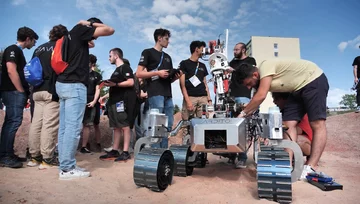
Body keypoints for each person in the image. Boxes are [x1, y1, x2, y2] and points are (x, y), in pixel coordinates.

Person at [236, 59, 329, 179]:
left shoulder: (265, 66)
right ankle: (287, 164)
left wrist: (242, 114)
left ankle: (311, 166)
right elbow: (255, 101)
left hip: (313, 80)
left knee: (317, 124)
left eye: (249, 83)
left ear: (255, 74)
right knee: (288, 124)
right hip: (295, 90)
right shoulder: (261, 80)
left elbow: (261, 96)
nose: (249, 87)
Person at [56, 18, 114, 180]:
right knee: (73, 129)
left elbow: (90, 44)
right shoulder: (81, 30)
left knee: (65, 128)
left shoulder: (72, 34)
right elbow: (110, 29)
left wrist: (87, 34)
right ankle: (67, 169)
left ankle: (65, 164)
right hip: (75, 86)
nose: (94, 40)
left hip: (63, 83)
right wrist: (91, 25)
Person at [26, 25, 68, 170]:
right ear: (63, 36)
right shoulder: (60, 47)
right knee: (49, 125)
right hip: (51, 90)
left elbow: (31, 68)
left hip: (36, 91)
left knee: (36, 124)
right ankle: (47, 159)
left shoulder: (39, 49)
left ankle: (34, 157)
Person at [0, 26, 38, 168]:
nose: (34, 44)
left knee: (10, 122)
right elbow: (11, 70)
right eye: (33, 41)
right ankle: (5, 156)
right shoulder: (13, 49)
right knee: (13, 122)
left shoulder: (17, 51)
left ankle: (6, 153)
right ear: (28, 39)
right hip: (13, 92)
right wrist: (21, 90)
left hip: (13, 92)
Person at [135, 28, 181, 148]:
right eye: (166, 38)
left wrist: (175, 77)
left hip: (167, 94)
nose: (168, 41)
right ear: (159, 38)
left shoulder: (168, 57)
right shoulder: (147, 52)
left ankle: (164, 151)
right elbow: (139, 73)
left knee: (167, 125)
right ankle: (156, 152)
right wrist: (157, 73)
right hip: (155, 93)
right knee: (157, 124)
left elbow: (168, 77)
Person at [99, 48, 136, 162]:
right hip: (114, 102)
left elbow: (131, 82)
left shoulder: (125, 67)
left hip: (122, 102)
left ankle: (125, 152)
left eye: (110, 56)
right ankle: (114, 150)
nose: (109, 58)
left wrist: (115, 84)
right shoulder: (116, 70)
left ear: (116, 56)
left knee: (125, 126)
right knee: (116, 127)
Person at [227, 42, 257, 169]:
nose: (234, 51)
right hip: (231, 97)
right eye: (233, 49)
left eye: (236, 49)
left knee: (243, 127)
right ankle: (233, 154)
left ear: (244, 50)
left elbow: (250, 74)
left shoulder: (250, 60)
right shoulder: (232, 61)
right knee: (231, 126)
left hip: (244, 96)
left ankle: (242, 158)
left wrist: (234, 71)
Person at [272, 92, 312, 157]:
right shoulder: (283, 113)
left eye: (277, 99)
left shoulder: (299, 111)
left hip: (308, 142)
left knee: (294, 140)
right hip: (299, 138)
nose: (274, 102)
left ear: (285, 99)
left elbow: (299, 130)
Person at [179, 40, 211, 120]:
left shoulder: (202, 66)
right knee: (187, 123)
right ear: (197, 49)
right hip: (190, 97)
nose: (204, 51)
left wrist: (209, 100)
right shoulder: (184, 64)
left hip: (203, 97)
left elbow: (205, 84)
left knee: (204, 122)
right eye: (202, 49)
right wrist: (188, 101)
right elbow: (182, 85)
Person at [80, 54, 102, 154]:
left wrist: (94, 101)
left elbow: (98, 89)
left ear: (92, 64)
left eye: (88, 62)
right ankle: (84, 145)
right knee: (85, 124)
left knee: (95, 124)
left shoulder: (97, 75)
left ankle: (98, 144)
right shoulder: (80, 74)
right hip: (81, 101)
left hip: (93, 102)